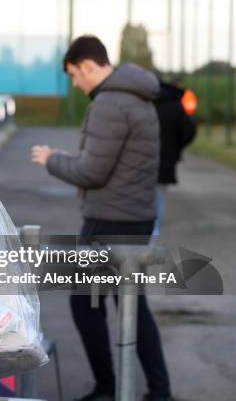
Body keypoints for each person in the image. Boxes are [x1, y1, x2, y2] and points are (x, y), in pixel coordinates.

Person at [30, 36, 172, 401]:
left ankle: (109, 387)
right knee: (130, 304)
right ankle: (158, 389)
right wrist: (72, 159)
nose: (76, 84)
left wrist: (50, 160)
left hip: (112, 220)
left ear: (88, 66)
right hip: (133, 216)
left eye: (75, 75)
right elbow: (105, 162)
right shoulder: (136, 96)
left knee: (88, 302)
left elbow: (92, 173)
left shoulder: (110, 103)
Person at [152, 79, 197, 235]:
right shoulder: (176, 106)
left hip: (140, 160)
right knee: (159, 197)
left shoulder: (146, 103)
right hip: (166, 158)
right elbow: (189, 130)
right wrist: (177, 147)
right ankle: (153, 231)